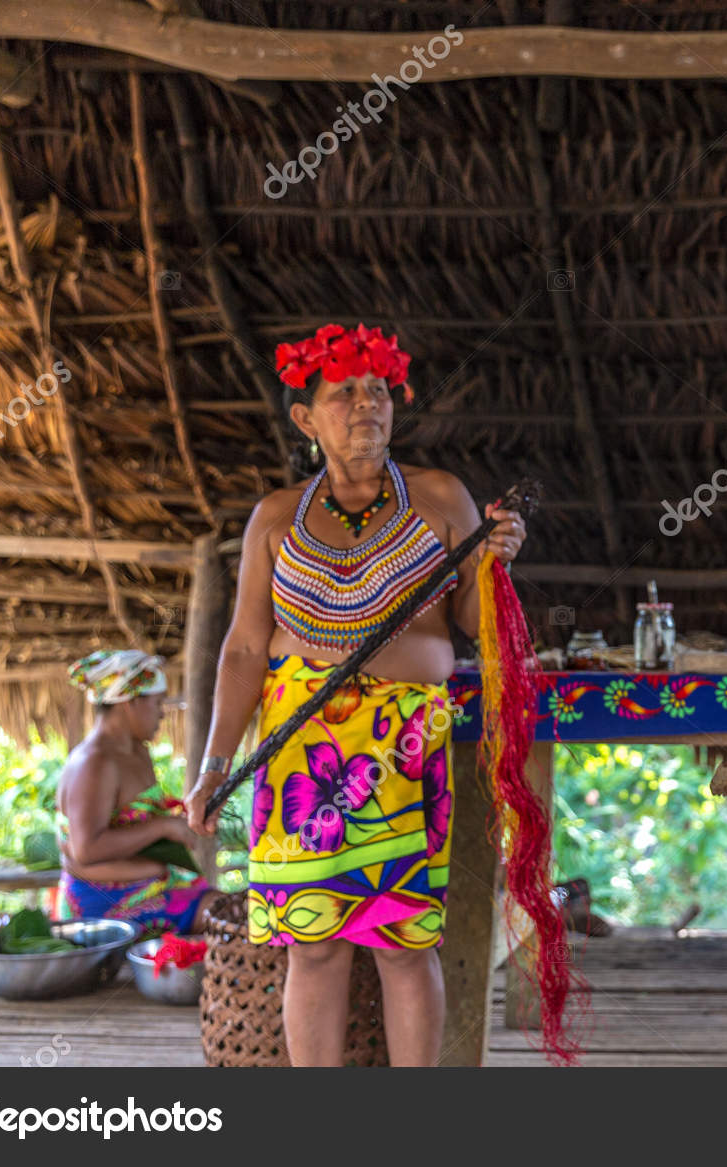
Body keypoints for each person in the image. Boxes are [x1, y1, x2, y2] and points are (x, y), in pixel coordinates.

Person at [183, 323, 527, 1067]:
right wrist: (213, 763)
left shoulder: (440, 498)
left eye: (377, 391)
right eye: (344, 394)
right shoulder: (274, 517)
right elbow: (245, 648)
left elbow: (472, 623)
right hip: (300, 754)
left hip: (405, 748)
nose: (366, 404)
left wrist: (495, 564)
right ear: (307, 419)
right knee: (313, 946)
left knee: (405, 945)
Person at [56, 650, 213, 939]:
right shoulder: (94, 763)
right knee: (230, 914)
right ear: (131, 702)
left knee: (237, 909)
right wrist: (163, 826)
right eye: (157, 703)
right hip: (106, 905)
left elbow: (133, 819)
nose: (162, 712)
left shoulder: (137, 751)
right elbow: (84, 850)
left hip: (151, 886)